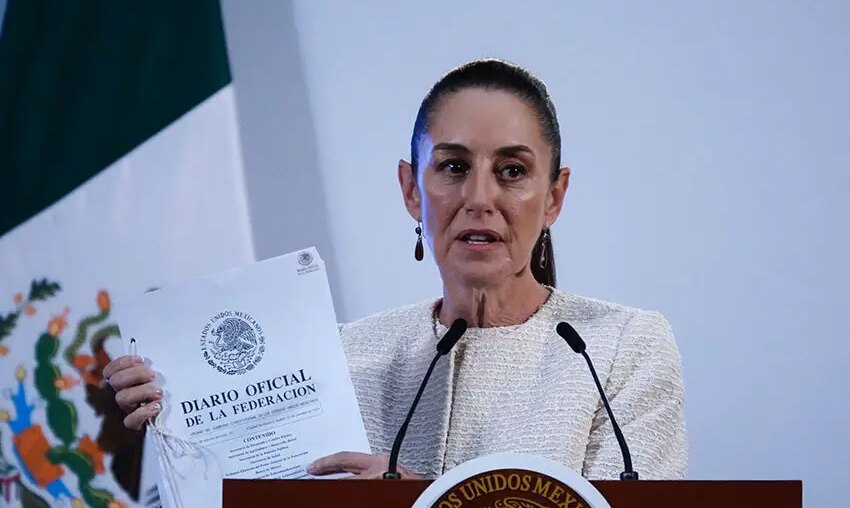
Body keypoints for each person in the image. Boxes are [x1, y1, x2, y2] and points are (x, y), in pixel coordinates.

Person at [104, 59, 687, 481]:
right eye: (453, 166)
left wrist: (422, 501)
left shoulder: (617, 348)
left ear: (554, 197)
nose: (479, 197)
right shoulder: (345, 357)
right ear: (412, 190)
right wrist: (171, 423)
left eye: (512, 171)